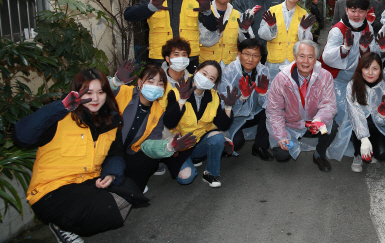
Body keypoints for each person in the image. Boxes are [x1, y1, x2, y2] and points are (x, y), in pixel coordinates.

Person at [13, 69, 146, 242]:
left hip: (87, 182)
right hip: (51, 189)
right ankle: (62, 226)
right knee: (102, 207)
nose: (95, 98)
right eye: (88, 93)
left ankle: (70, 221)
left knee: (129, 191)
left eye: (100, 92)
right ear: (76, 94)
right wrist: (61, 106)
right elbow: (22, 137)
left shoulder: (111, 121)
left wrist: (111, 174)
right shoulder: (60, 117)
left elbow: (115, 154)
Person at [108, 61, 197, 193]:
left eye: (160, 84)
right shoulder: (123, 91)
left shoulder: (158, 111)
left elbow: (150, 143)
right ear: (139, 83)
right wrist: (115, 81)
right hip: (105, 147)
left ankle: (132, 187)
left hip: (129, 153)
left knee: (149, 161)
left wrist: (168, 146)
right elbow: (100, 93)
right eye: (151, 81)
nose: (155, 86)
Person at [124, 0, 214, 73]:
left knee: (188, 90)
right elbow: (128, 15)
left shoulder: (195, 1)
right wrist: (150, 8)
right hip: (160, 59)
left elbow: (212, 27)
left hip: (189, 58)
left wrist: (208, 12)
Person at [322, 0, 382, 160]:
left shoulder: (368, 28)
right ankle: (350, 146)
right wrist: (345, 48)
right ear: (346, 10)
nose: (356, 15)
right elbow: (327, 57)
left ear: (366, 12)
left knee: (360, 112)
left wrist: (365, 50)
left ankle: (359, 145)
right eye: (353, 10)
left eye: (361, 11)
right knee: (343, 115)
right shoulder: (337, 30)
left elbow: (374, 54)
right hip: (339, 80)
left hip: (359, 80)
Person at [266, 40, 338, 172]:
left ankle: (319, 155)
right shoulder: (282, 79)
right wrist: (281, 136)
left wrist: (319, 121)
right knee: (282, 155)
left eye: (310, 57)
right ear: (295, 57)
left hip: (313, 124)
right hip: (290, 125)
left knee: (331, 128)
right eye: (302, 56)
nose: (306, 61)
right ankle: (285, 144)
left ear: (316, 59)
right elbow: (274, 110)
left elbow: (329, 105)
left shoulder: (325, 76)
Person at [163, 60, 233, 187]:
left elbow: (223, 125)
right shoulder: (177, 92)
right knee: (185, 179)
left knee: (218, 137)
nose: (206, 79)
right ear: (196, 71)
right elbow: (169, 122)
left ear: (214, 83)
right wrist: (182, 101)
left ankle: (211, 174)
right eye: (204, 73)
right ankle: (174, 161)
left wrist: (228, 107)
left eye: (211, 78)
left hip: (199, 142)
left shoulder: (214, 96)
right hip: (180, 145)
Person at [219, 38, 273, 160]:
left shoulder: (263, 71)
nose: (250, 59)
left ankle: (260, 147)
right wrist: (242, 98)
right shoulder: (229, 72)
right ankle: (220, 147)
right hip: (234, 116)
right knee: (237, 142)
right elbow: (224, 106)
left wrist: (263, 94)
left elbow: (268, 102)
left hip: (253, 112)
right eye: (247, 54)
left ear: (260, 58)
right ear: (239, 54)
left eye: (255, 56)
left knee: (271, 111)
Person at [346, 52, 385, 173]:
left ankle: (372, 147)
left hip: (377, 125)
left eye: (375, 68)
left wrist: (382, 116)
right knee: (357, 130)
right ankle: (357, 155)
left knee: (383, 154)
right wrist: (364, 138)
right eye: (366, 68)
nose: (370, 72)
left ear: (381, 70)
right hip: (357, 124)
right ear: (360, 68)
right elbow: (355, 114)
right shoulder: (352, 86)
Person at [258, 0, 315, 80]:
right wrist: (271, 27)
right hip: (274, 62)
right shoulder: (272, 11)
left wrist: (303, 30)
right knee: (272, 90)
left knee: (292, 91)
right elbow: (261, 34)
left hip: (294, 61)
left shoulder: (304, 14)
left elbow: (307, 42)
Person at [198, 0, 246, 71]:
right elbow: (200, 38)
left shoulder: (237, 15)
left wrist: (245, 30)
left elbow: (244, 41)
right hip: (207, 63)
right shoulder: (205, 12)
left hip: (229, 64)